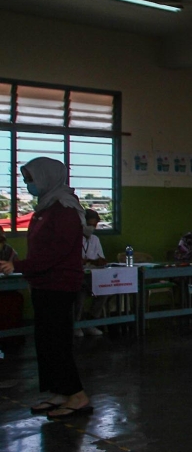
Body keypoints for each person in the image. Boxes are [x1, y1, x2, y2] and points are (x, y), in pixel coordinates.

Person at [0, 157, 91, 419]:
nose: (29, 184)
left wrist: (18, 266)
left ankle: (77, 395)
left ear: (48, 176)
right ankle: (60, 391)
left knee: (58, 342)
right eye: (26, 179)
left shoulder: (65, 210)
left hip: (59, 286)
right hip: (43, 284)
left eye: (31, 179)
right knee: (45, 343)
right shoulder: (46, 208)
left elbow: (55, 253)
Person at [75, 209, 108, 337]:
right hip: (79, 277)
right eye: (89, 224)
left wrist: (99, 261)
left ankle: (90, 322)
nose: (92, 228)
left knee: (105, 290)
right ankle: (77, 324)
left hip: (94, 277)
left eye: (94, 225)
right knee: (80, 292)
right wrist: (88, 261)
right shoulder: (74, 238)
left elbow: (102, 258)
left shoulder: (95, 239)